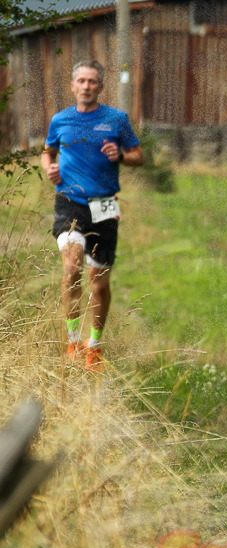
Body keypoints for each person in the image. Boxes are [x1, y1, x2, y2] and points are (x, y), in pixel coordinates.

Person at [41, 59, 144, 370]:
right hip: (70, 202)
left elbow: (139, 156)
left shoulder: (117, 119)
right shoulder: (60, 120)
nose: (86, 86)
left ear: (100, 87)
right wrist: (50, 169)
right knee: (71, 267)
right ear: (73, 86)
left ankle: (94, 346)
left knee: (98, 282)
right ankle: (73, 341)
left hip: (105, 205)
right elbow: (47, 152)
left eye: (92, 81)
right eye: (81, 81)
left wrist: (122, 156)